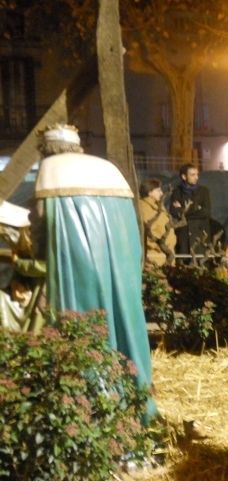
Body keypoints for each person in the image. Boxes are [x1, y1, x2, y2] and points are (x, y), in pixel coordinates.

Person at [32, 123, 156, 419]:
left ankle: (92, 407)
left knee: (83, 331)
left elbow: (40, 236)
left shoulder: (50, 171)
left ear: (46, 149)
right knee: (124, 324)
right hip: (121, 267)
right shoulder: (108, 169)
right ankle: (136, 403)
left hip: (78, 271)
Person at [0, 201, 46, 332]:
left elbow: (44, 267)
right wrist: (16, 283)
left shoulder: (43, 236)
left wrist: (18, 263)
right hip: (24, 290)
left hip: (38, 292)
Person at [139, 178, 176, 267]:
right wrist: (157, 246)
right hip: (154, 256)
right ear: (150, 192)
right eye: (158, 190)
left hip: (167, 253)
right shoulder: (143, 208)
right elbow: (148, 231)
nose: (162, 193)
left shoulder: (159, 207)